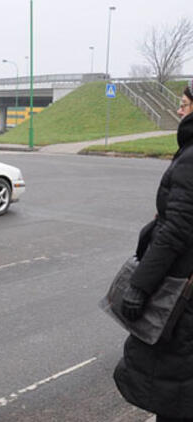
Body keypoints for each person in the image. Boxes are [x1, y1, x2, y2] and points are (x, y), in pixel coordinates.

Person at [114, 81, 193, 422]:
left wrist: (140, 287)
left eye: (184, 104)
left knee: (173, 388)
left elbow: (177, 229)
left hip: (182, 290)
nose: (178, 110)